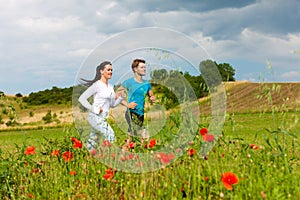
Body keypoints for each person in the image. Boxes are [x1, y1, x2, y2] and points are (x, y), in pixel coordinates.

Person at [78, 61, 125, 151]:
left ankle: (85, 158)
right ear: (101, 71)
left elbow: (112, 105)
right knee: (110, 134)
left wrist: (120, 98)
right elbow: (82, 98)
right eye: (108, 70)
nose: (110, 72)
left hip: (103, 117)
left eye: (111, 70)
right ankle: (113, 155)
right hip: (95, 117)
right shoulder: (97, 85)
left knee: (93, 142)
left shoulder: (110, 87)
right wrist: (94, 108)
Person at [121, 58, 156, 142]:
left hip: (141, 113)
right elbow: (116, 96)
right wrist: (127, 104)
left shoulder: (147, 84)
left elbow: (151, 96)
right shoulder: (128, 82)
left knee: (132, 136)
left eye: (145, 67)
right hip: (131, 112)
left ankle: (124, 152)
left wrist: (152, 98)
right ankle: (142, 151)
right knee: (143, 134)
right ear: (135, 69)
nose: (144, 69)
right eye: (142, 67)